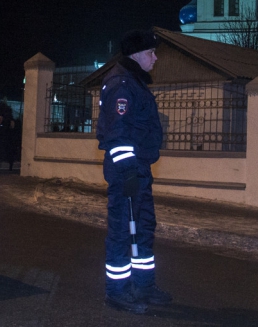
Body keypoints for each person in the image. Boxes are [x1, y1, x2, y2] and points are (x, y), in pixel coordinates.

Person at [96, 29, 172, 314]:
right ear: (136, 55)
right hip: (127, 171)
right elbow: (117, 134)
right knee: (121, 230)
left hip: (138, 169)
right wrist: (127, 171)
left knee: (143, 228)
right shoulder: (121, 85)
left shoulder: (134, 82)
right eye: (151, 53)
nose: (155, 58)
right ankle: (117, 291)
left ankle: (143, 285)